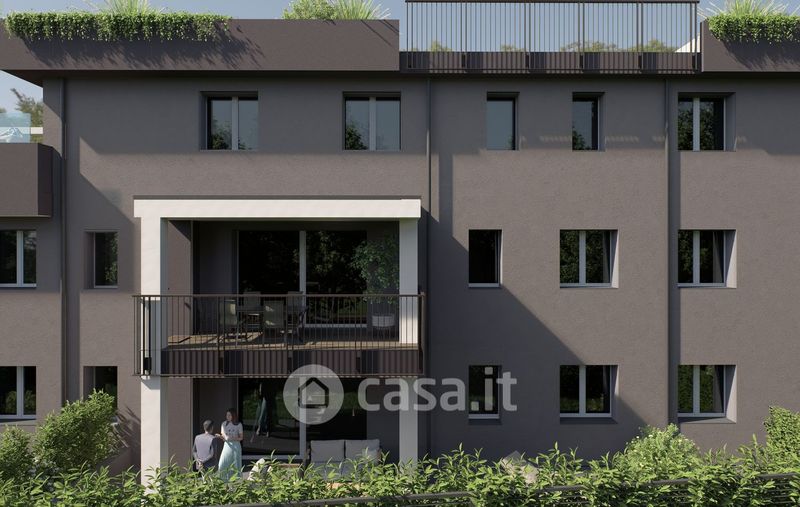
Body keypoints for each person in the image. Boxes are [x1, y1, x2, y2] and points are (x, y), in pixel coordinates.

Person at [217, 408, 243, 481]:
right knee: (222, 463)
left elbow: (241, 438)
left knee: (236, 464)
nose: (227, 417)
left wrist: (232, 438)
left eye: (229, 415)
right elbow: (224, 436)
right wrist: (220, 436)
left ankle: (236, 481)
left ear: (233, 416)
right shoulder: (224, 424)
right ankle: (223, 481)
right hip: (227, 446)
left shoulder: (239, 424)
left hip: (236, 446)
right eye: (227, 415)